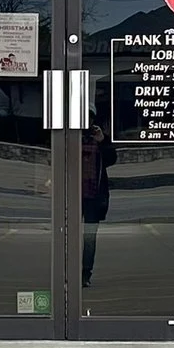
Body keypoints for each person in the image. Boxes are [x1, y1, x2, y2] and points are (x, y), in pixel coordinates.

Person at [79, 114, 114, 287]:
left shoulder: (99, 141)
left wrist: (102, 140)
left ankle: (85, 273)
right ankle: (68, 270)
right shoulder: (71, 137)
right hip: (73, 195)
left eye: (91, 120)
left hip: (93, 195)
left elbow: (111, 159)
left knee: (89, 237)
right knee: (68, 235)